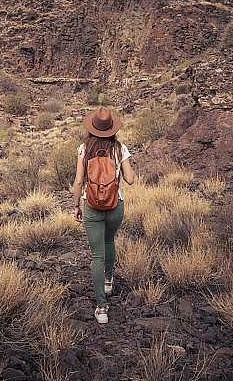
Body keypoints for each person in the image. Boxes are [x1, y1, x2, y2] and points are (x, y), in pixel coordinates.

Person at [73, 106, 135, 324]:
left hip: (91, 205)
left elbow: (78, 181)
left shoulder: (84, 149)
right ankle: (108, 280)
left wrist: (76, 206)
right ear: (111, 129)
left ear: (92, 128)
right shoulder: (120, 149)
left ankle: (101, 308)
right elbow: (130, 179)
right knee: (109, 240)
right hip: (115, 205)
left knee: (96, 255)